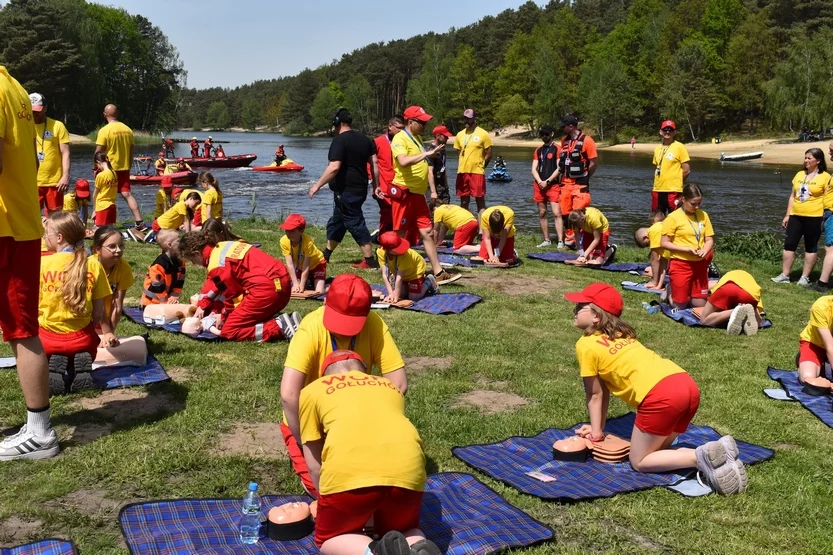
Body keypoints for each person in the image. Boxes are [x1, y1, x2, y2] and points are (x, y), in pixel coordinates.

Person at [564, 282, 746, 494]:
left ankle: (700, 456)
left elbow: (595, 394)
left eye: (580, 306)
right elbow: (602, 391)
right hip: (685, 384)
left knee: (640, 461)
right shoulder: (622, 334)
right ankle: (720, 453)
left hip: (661, 396)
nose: (574, 310)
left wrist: (596, 435)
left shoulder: (585, 345)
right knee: (659, 451)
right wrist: (597, 428)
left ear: (596, 316)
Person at [299, 350, 440, 555]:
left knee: (329, 539)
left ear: (325, 376)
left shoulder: (313, 390)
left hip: (348, 474)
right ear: (364, 371)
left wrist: (325, 498)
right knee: (405, 529)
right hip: (408, 472)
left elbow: (313, 461)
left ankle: (375, 552)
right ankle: (418, 546)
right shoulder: (390, 386)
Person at [280, 274, 407, 497]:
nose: (344, 330)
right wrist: (304, 441)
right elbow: (290, 395)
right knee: (323, 488)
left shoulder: (375, 325)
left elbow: (398, 383)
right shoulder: (311, 327)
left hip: (355, 418)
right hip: (310, 421)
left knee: (375, 481)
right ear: (325, 303)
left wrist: (376, 425)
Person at [0, 66, 59, 460]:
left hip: (7, 227)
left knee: (21, 329)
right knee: (20, 328)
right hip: (16, 223)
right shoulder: (13, 84)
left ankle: (40, 432)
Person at [39, 212, 119, 390]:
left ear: (59, 238)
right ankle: (77, 361)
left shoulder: (43, 264)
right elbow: (99, 311)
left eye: (47, 234)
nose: (45, 237)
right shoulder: (93, 264)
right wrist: (90, 329)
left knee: (42, 344)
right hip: (82, 338)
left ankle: (56, 361)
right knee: (88, 341)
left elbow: (36, 306)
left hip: (48, 338)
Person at [179, 231, 300, 342]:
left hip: (267, 291)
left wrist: (224, 316)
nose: (194, 264)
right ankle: (280, 321)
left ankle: (279, 327)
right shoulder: (224, 246)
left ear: (196, 254)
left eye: (192, 260)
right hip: (283, 284)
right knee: (243, 317)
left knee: (230, 331)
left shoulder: (216, 266)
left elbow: (233, 296)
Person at [391, 106, 458, 284]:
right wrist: (427, 153)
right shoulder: (400, 138)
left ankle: (438, 273)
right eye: (421, 122)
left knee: (427, 232)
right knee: (399, 235)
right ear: (410, 122)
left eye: (426, 122)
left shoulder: (417, 138)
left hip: (418, 195)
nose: (425, 125)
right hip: (404, 194)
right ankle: (393, 272)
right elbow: (403, 161)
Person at [309, 108, 380, 269]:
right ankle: (326, 254)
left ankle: (370, 260)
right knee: (338, 222)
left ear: (337, 123)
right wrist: (376, 186)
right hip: (360, 188)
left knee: (355, 221)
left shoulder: (339, 141)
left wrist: (317, 185)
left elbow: (334, 167)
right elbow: (374, 164)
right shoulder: (365, 139)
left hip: (347, 190)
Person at [772, 148, 830, 286]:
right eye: (805, 158)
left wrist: (825, 216)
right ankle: (785, 275)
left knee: (811, 247)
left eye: (809, 158)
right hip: (795, 215)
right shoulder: (799, 174)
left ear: (818, 160)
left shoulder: (826, 177)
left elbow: (828, 198)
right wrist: (787, 215)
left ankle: (804, 277)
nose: (806, 161)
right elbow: (792, 196)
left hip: (815, 216)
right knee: (789, 245)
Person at [660, 184, 715, 309]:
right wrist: (687, 250)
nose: (697, 207)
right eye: (693, 204)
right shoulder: (673, 217)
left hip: (700, 265)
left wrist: (705, 250)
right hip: (681, 264)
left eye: (699, 203)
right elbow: (664, 243)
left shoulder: (703, 215)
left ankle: (689, 293)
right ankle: (670, 291)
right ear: (683, 199)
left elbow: (709, 239)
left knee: (700, 305)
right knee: (680, 306)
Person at [94, 104, 144, 230]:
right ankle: (139, 221)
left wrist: (95, 167)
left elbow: (98, 152)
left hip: (109, 168)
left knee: (104, 195)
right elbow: (131, 150)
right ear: (118, 114)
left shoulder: (104, 130)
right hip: (124, 167)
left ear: (105, 114)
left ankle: (100, 220)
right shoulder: (128, 130)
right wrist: (129, 164)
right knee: (127, 194)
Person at [557, 115, 598, 247]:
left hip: (580, 183)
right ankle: (570, 240)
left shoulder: (587, 141)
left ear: (571, 126)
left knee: (579, 213)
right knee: (565, 213)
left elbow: (593, 163)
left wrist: (585, 177)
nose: (562, 128)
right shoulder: (564, 141)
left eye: (564, 126)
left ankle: (582, 240)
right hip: (565, 182)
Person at [30, 93, 70, 216]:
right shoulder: (24, 126)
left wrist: (65, 176)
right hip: (32, 181)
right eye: (32, 111)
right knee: (32, 216)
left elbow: (65, 152)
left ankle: (54, 235)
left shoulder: (57, 126)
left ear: (45, 108)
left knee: (55, 216)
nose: (35, 114)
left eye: (38, 111)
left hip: (54, 182)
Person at [92, 226, 134, 331]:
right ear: (97, 249)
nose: (118, 250)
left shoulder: (124, 268)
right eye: (112, 246)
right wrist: (106, 333)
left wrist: (110, 332)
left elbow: (118, 305)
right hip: (86, 319)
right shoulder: (89, 266)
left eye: (121, 246)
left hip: (105, 319)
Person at [377, 232, 437, 303]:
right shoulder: (380, 252)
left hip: (415, 271)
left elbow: (399, 278)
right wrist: (391, 294)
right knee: (401, 295)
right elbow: (385, 274)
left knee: (413, 298)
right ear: (388, 250)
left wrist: (395, 298)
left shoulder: (405, 255)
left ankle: (428, 281)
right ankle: (408, 287)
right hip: (401, 273)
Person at [699, 270, 763, 335]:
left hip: (729, 287)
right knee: (755, 318)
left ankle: (735, 310)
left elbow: (706, 287)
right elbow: (757, 311)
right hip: (752, 293)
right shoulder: (747, 279)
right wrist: (759, 321)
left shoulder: (721, 282)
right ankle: (744, 315)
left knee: (704, 320)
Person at [453, 109, 492, 217]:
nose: (466, 120)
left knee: (480, 201)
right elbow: (459, 152)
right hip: (462, 171)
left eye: (469, 118)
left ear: (475, 119)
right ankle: (466, 226)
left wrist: (482, 166)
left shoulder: (483, 133)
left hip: (477, 172)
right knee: (464, 202)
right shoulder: (460, 134)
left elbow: (489, 154)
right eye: (465, 118)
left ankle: (481, 231)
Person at [373, 115, 406, 240]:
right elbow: (370, 162)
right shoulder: (378, 141)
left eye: (403, 128)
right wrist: (374, 182)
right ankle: (383, 238)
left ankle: (394, 238)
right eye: (398, 128)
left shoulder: (403, 141)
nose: (400, 131)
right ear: (390, 126)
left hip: (399, 185)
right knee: (387, 213)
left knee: (398, 213)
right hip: (383, 185)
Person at [531, 124, 563, 248]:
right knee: (542, 212)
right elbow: (534, 169)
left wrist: (548, 181)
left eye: (546, 134)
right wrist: (539, 181)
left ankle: (560, 241)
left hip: (553, 185)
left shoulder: (557, 148)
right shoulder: (538, 150)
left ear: (552, 134)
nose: (544, 137)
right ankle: (546, 239)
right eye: (542, 135)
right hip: (539, 185)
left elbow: (559, 168)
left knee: (557, 213)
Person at [280, 214, 327, 295]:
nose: (288, 233)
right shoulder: (283, 241)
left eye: (292, 231)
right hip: (300, 267)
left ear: (301, 230)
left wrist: (301, 286)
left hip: (317, 265)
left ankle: (330, 285)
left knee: (319, 292)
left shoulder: (308, 243)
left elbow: (306, 266)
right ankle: (310, 280)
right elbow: (290, 264)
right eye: (286, 230)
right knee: (294, 285)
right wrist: (295, 284)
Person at [652, 120, 691, 214]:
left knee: (674, 217)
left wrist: (677, 183)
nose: (668, 132)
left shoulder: (680, 147)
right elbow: (658, 167)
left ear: (674, 132)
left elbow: (686, 170)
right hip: (658, 189)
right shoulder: (657, 148)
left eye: (670, 130)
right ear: (661, 132)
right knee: (656, 218)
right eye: (665, 129)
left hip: (673, 190)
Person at [141, 229, 186, 306]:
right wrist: (166, 302)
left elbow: (179, 282)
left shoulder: (180, 262)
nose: (182, 243)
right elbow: (157, 288)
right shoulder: (158, 265)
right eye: (178, 241)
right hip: (151, 302)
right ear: (169, 245)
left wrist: (174, 297)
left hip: (167, 300)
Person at [797, 294, 833, 384]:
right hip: (815, 344)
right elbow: (830, 347)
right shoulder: (821, 306)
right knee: (808, 379)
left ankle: (825, 367)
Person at [814, 141, 833, 292]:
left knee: (830, 249)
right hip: (828, 213)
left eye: (832, 149)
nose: (830, 152)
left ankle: (822, 284)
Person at [633, 211, 669, 289]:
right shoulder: (661, 226)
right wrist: (659, 284)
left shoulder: (654, 231)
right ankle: (658, 283)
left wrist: (654, 281)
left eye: (647, 244)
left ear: (645, 237)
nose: (649, 246)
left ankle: (655, 282)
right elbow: (664, 261)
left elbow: (654, 259)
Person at [91, 152, 118, 228]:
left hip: (102, 206)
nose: (98, 168)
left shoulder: (100, 175)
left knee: (99, 230)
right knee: (110, 230)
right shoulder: (114, 173)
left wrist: (94, 210)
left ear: (98, 162)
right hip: (112, 205)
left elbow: (95, 194)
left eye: (97, 165)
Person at [427, 125, 452, 204]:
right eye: (445, 136)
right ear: (437, 136)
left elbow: (443, 169)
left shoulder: (442, 149)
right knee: (434, 212)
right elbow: (429, 172)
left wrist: (446, 186)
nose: (447, 138)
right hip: (434, 188)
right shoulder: (431, 151)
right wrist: (433, 192)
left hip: (443, 187)